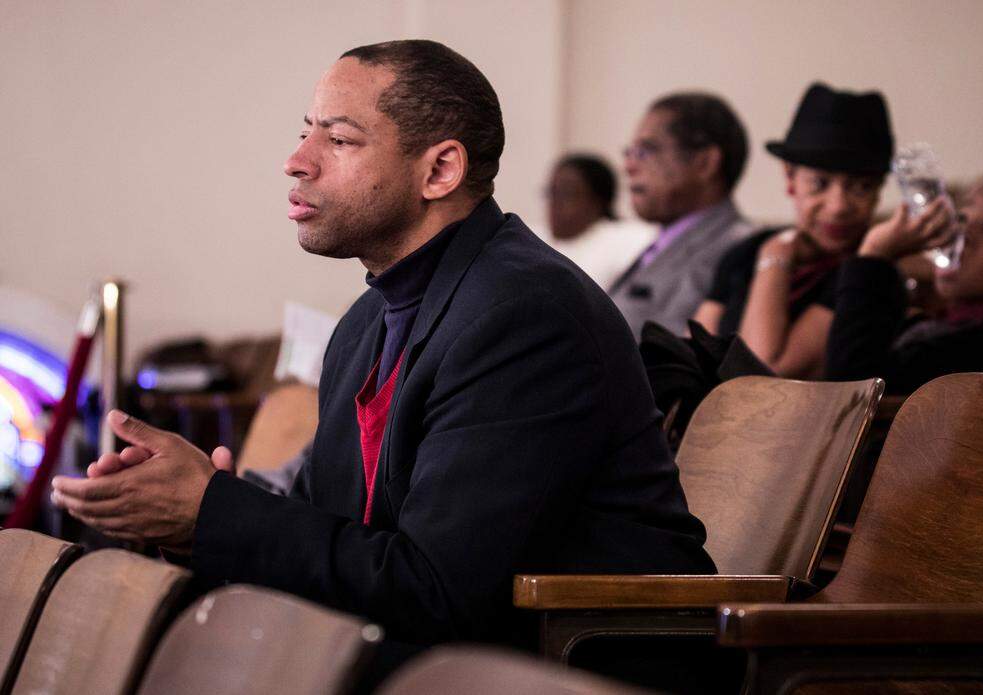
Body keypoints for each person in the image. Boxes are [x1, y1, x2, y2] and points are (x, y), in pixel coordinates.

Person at [51, 40, 713, 660]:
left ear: (441, 169)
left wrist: (212, 510)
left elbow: (441, 592)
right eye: (305, 129)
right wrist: (189, 519)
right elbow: (322, 522)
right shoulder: (368, 319)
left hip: (567, 666)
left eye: (338, 139)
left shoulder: (527, 313)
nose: (297, 160)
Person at [693, 83, 894, 378]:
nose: (839, 206)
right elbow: (694, 358)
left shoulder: (866, 277)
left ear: (878, 192)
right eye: (820, 184)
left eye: (861, 187)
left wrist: (776, 258)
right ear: (790, 178)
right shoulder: (745, 252)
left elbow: (764, 372)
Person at [825, 167, 983, 393]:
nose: (961, 235)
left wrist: (875, 255)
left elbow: (851, 395)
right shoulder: (951, 325)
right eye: (963, 218)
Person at [609, 92, 753, 338]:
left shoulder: (739, 249)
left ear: (705, 163)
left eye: (646, 151)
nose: (629, 167)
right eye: (629, 153)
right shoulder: (666, 240)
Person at [542, 153, 652, 289]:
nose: (555, 203)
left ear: (597, 201)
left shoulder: (627, 241)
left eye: (566, 193)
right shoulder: (532, 238)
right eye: (552, 192)